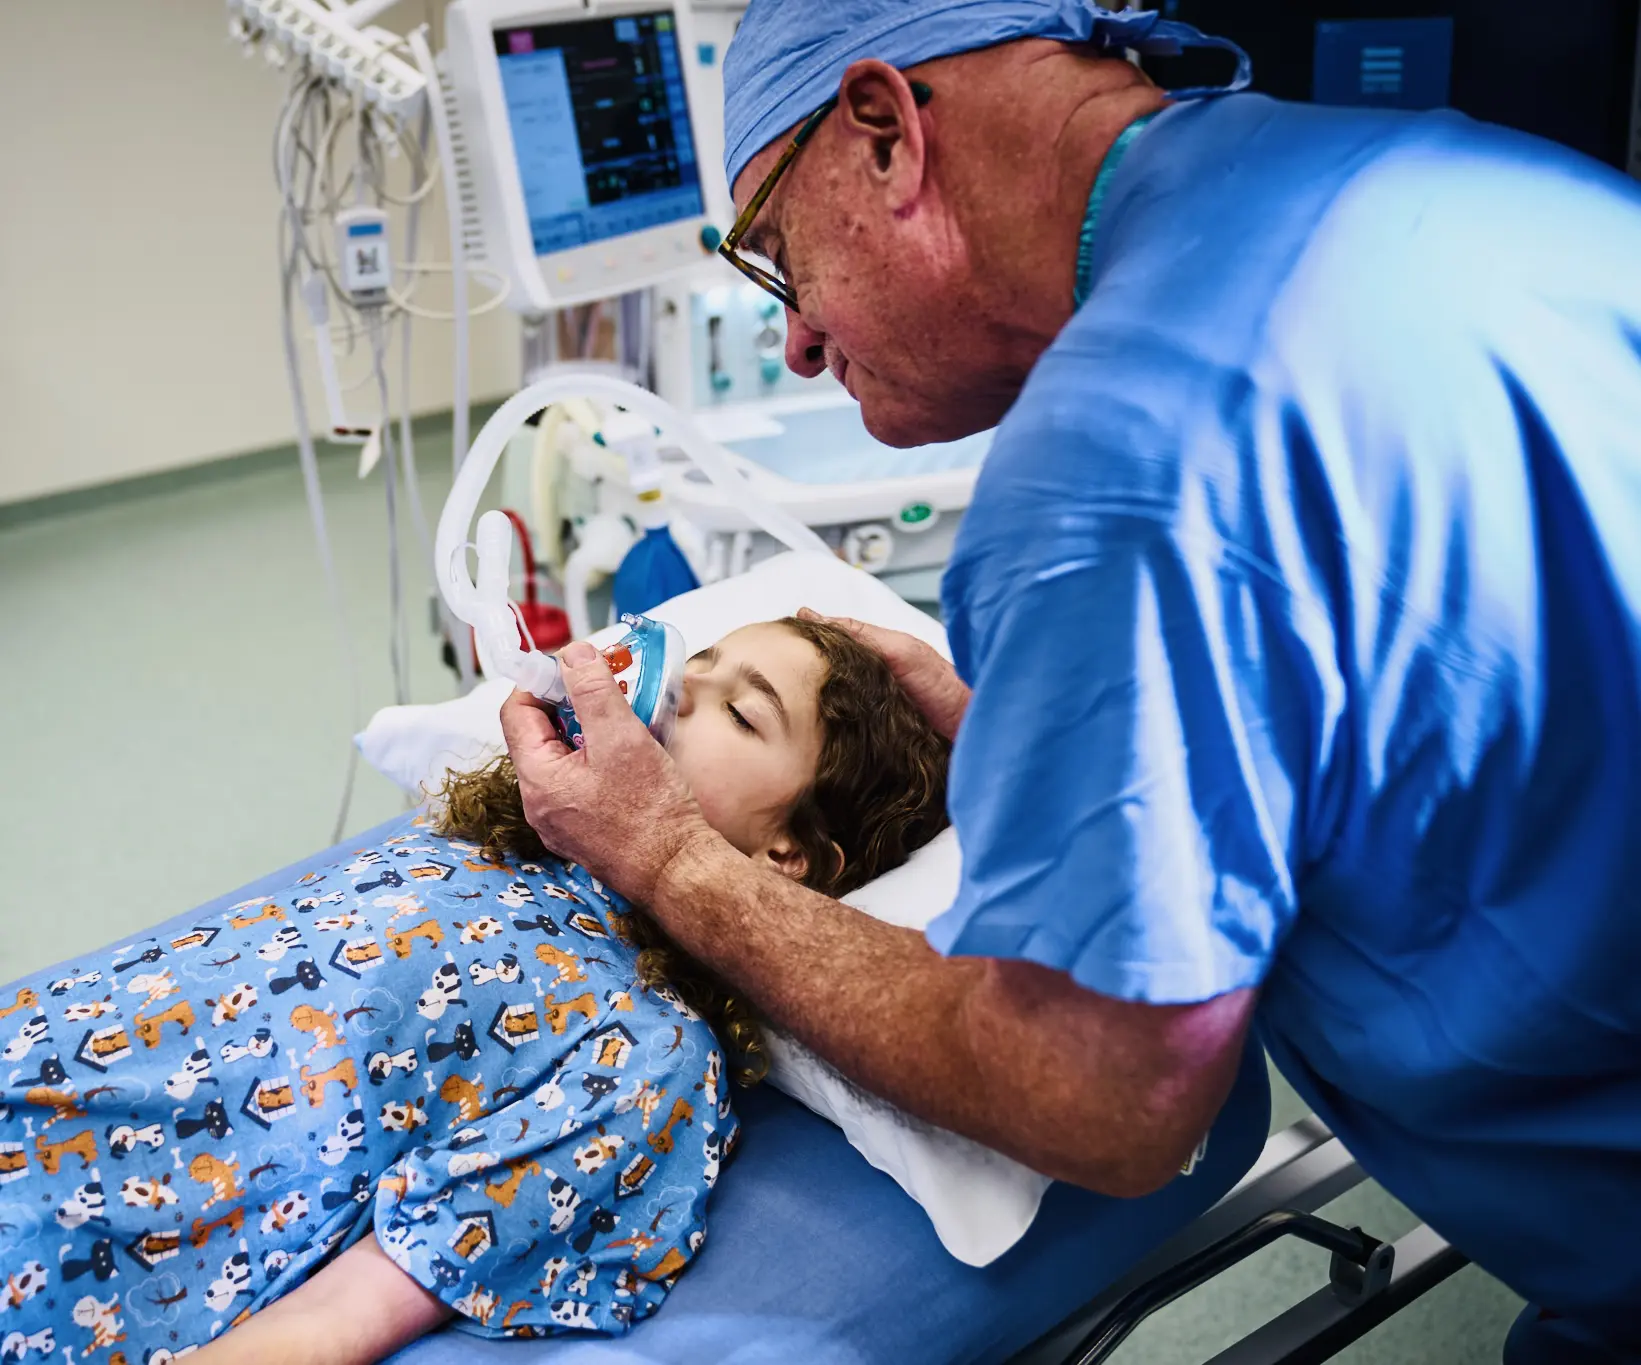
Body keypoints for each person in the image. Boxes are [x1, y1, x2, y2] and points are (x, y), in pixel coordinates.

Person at [498, 4, 1641, 1361]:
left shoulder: (1116, 470)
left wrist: (672, 857)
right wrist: (1081, 747)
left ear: (884, 134)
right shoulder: (1490, 188)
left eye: (777, 255)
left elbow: (1106, 1101)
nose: (796, 340)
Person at [0, 618, 949, 1365]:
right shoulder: (483, 835)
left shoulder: (645, 1054)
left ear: (786, 855)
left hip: (57, 1234)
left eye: (744, 714)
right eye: (700, 660)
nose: (686, 683)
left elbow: (359, 1302)